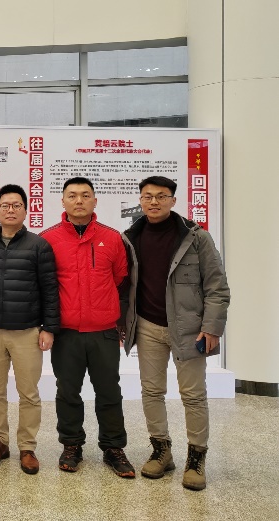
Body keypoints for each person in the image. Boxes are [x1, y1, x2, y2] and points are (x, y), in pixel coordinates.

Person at [120, 176, 230, 491]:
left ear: (173, 200)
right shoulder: (130, 237)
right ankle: (161, 450)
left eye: (161, 196)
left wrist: (212, 327)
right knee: (151, 391)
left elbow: (217, 286)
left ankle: (196, 458)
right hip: (148, 326)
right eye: (147, 196)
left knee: (193, 395)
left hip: (190, 329)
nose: (154, 202)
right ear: (140, 201)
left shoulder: (196, 237)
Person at [40, 177, 134, 478]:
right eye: (72, 195)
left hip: (103, 330)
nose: (79, 201)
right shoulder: (48, 239)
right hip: (66, 332)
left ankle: (113, 448)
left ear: (95, 201)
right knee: (68, 392)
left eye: (85, 195)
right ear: (63, 201)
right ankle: (71, 445)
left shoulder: (113, 238)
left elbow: (119, 278)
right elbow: (44, 285)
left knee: (109, 392)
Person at [0, 184, 59, 475]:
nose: (10, 210)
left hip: (27, 331)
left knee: (29, 393)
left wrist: (49, 328)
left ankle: (27, 447)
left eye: (16, 205)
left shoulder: (39, 246)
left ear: (25, 210)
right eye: (5, 205)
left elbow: (50, 290)